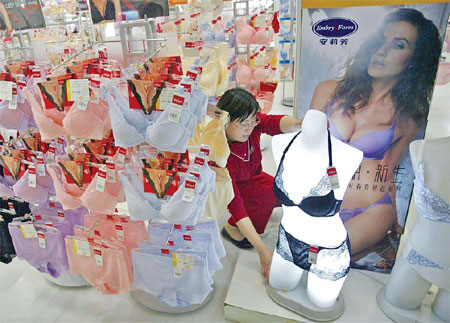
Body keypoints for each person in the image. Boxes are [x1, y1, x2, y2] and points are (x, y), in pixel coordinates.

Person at [309, 9, 441, 270]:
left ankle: (378, 241)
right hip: (319, 201)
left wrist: (393, 219)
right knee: (304, 258)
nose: (382, 50)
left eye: (398, 45)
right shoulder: (328, 91)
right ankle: (372, 246)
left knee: (322, 263)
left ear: (413, 60)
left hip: (372, 210)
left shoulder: (407, 118)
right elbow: (304, 150)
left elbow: (387, 171)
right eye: (381, 39)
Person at [218, 88, 301, 280]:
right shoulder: (221, 156)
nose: (250, 128)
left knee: (281, 191)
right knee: (266, 198)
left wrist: (299, 124)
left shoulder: (252, 124)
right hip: (234, 189)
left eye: (252, 121)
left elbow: (274, 123)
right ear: (225, 121)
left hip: (254, 178)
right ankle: (231, 229)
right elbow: (235, 205)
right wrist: (263, 251)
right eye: (243, 124)